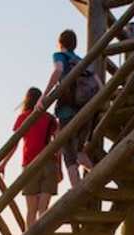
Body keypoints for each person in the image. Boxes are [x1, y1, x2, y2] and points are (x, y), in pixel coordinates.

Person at [36, 29, 95, 186]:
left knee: (69, 153)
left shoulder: (60, 56)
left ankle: (76, 191)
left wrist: (44, 96)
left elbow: (59, 70)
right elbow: (99, 84)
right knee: (80, 150)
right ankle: (97, 176)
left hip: (67, 109)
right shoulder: (83, 61)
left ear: (60, 43)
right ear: (75, 44)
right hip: (86, 110)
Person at [0, 87, 61, 226]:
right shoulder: (50, 119)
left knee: (31, 210)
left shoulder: (23, 117)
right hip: (49, 163)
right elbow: (58, 143)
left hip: (30, 164)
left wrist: (3, 163)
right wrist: (59, 168)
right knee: (43, 210)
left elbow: (13, 145)